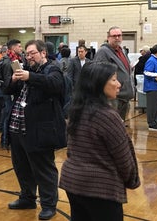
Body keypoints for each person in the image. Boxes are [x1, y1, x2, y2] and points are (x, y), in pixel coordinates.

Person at [60, 61, 140, 221]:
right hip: (99, 188)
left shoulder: (77, 109)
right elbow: (123, 158)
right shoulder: (107, 116)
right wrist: (132, 180)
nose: (118, 84)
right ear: (98, 84)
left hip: (74, 182)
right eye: (114, 79)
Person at [5, 40, 65, 220]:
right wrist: (13, 79)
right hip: (17, 128)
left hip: (39, 131)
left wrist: (29, 77)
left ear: (43, 53)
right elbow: (6, 89)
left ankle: (48, 204)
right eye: (27, 54)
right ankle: (27, 197)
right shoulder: (26, 70)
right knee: (21, 167)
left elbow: (55, 84)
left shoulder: (52, 69)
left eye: (33, 53)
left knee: (44, 169)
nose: (29, 57)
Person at [94, 26, 134, 121]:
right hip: (113, 98)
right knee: (111, 126)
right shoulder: (103, 52)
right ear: (108, 38)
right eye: (114, 36)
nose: (117, 38)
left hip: (124, 97)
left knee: (120, 126)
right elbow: (99, 74)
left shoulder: (122, 50)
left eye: (119, 35)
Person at [143, 44, 157, 131]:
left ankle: (155, 123)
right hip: (152, 87)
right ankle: (151, 124)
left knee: (156, 106)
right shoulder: (151, 60)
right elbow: (146, 72)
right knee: (152, 106)